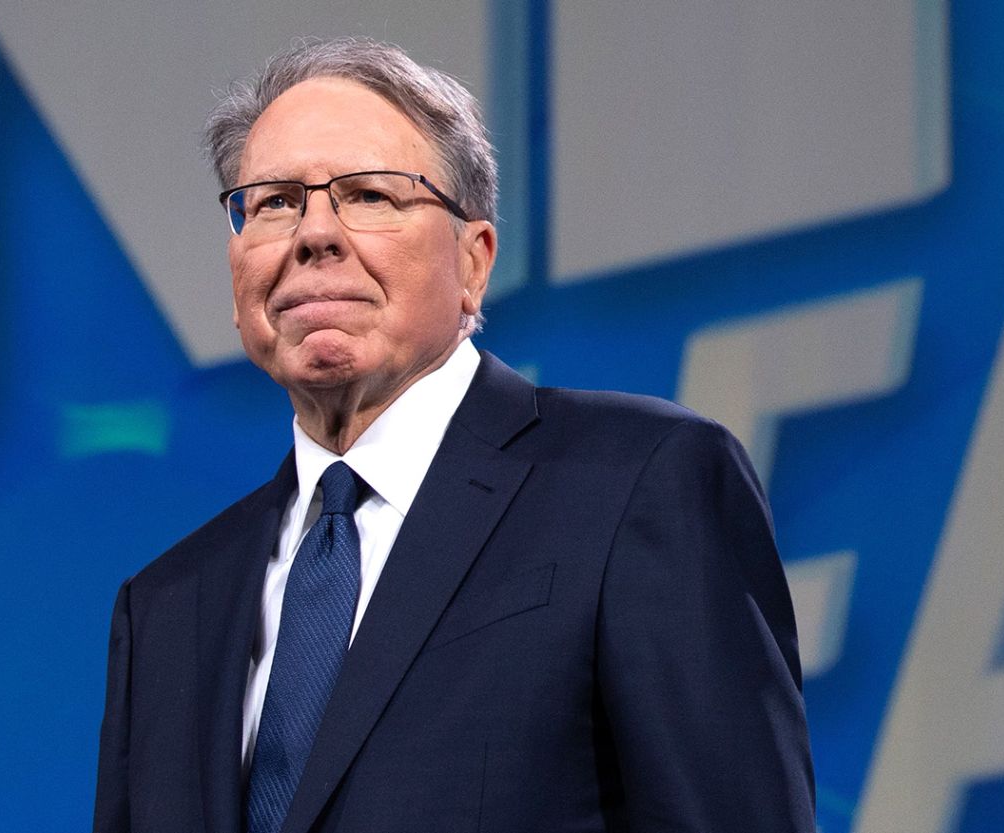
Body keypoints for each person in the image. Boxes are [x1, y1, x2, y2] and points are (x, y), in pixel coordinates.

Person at [92, 36, 814, 833]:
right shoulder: (165, 609)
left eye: (370, 195)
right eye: (273, 202)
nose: (314, 234)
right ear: (237, 279)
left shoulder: (638, 483)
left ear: (474, 261)